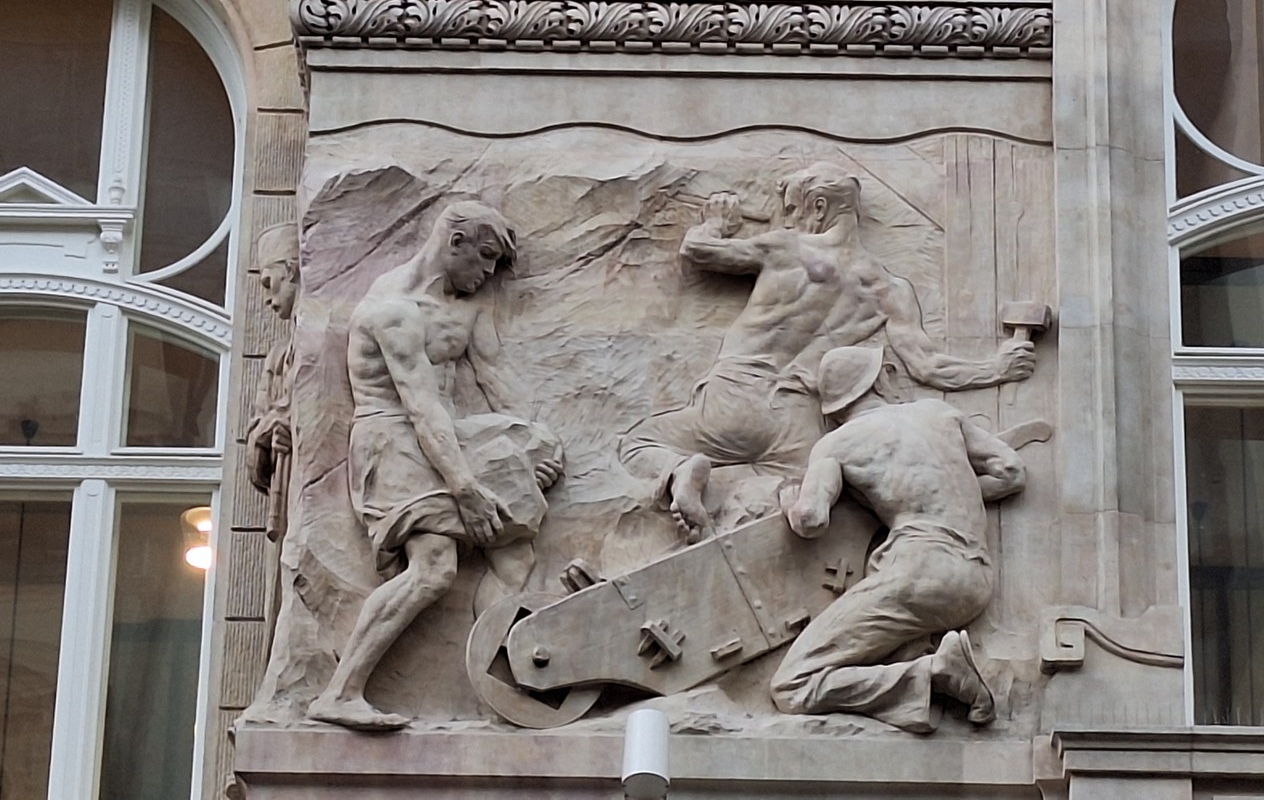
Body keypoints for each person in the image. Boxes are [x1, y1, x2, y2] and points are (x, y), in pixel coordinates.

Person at [619, 163, 1034, 542]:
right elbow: (929, 367)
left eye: (792, 209)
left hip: (735, 394)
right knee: (799, 490)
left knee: (638, 443)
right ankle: (737, 523)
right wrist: (997, 368)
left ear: (818, 207)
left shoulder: (786, 248)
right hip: (801, 421)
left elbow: (697, 250)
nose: (788, 219)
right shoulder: (889, 289)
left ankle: (681, 472)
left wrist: (716, 223)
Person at [308, 201, 563, 731]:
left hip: (448, 436)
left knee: (515, 550)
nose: (488, 272)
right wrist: (466, 488)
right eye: (485, 256)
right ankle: (339, 692)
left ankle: (504, 690)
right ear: (454, 242)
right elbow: (421, 407)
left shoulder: (462, 307)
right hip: (393, 443)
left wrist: (532, 450)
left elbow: (495, 380)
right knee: (434, 568)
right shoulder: (392, 312)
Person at [770, 346, 1029, 733]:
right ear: (881, 380)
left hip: (917, 574)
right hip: (974, 579)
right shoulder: (939, 412)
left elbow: (811, 519)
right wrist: (952, 492)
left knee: (792, 684)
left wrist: (790, 503)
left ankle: (933, 673)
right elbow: (1011, 472)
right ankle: (924, 664)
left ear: (833, 410)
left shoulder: (838, 443)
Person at [245, 222, 300, 542]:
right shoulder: (277, 357)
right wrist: (265, 436)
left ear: (291, 271)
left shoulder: (334, 337)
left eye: (269, 283)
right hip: (288, 495)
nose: (267, 298)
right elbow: (257, 424)